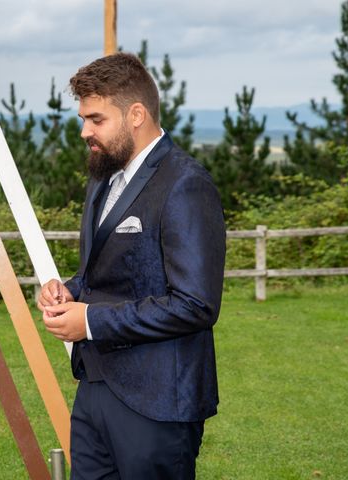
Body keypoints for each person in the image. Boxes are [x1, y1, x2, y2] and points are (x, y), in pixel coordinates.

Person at [38, 53, 226, 479]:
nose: (85, 131)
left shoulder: (185, 184)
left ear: (136, 114)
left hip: (157, 401)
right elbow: (107, 273)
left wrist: (90, 322)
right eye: (84, 118)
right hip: (95, 389)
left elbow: (196, 304)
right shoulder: (103, 179)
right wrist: (70, 289)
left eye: (96, 119)